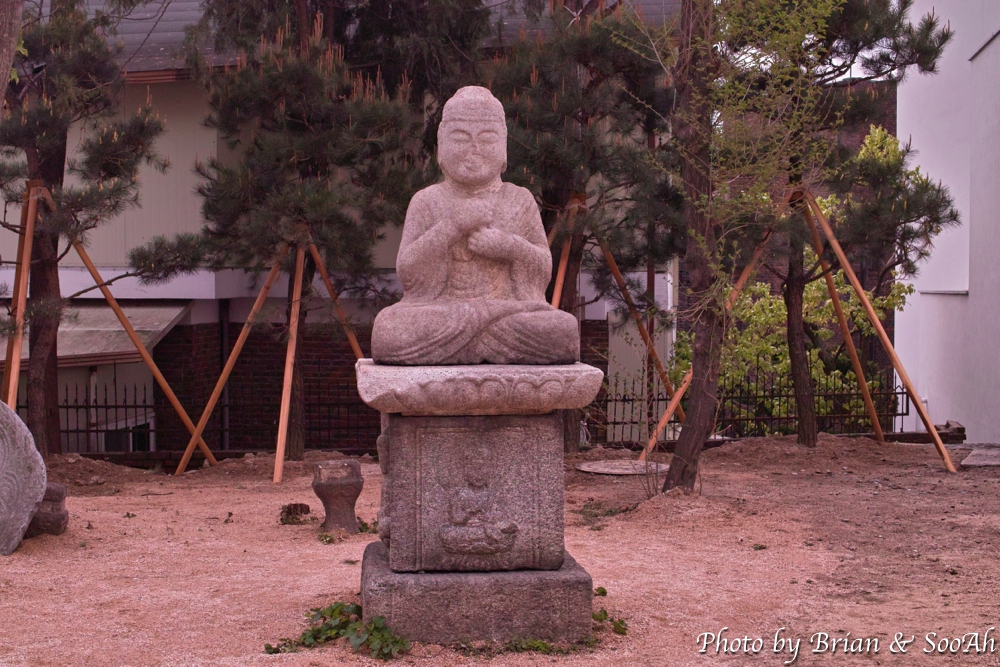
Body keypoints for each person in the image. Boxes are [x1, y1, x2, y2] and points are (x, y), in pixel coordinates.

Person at [371, 86, 579, 365]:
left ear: (503, 146)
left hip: (506, 313)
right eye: (460, 138)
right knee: (390, 331)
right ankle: (482, 342)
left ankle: (473, 342)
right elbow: (408, 271)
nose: (474, 150)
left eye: (487, 139)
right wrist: (452, 226)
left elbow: (542, 269)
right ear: (442, 143)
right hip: (443, 314)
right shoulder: (427, 201)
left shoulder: (518, 199)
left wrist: (508, 246)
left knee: (560, 330)